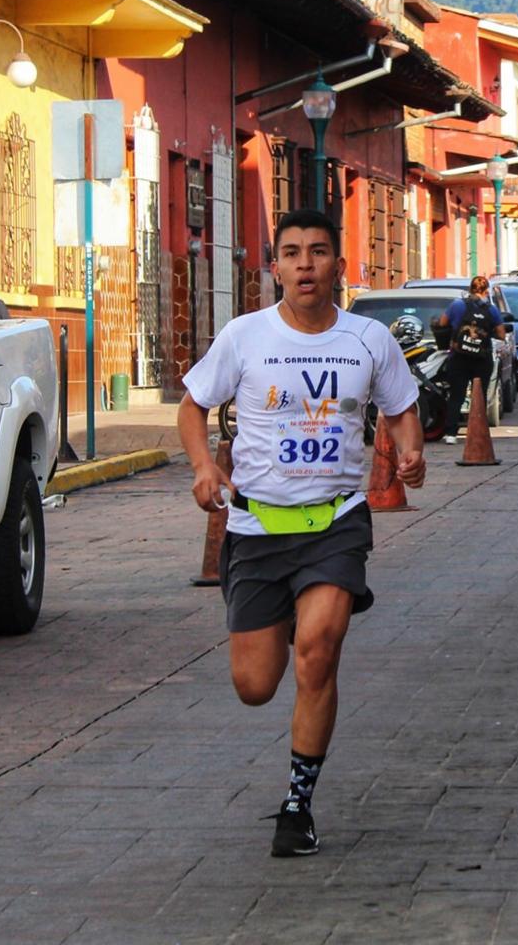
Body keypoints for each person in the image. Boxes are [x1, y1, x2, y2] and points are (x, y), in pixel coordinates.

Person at [178, 208, 425, 858]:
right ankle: (282, 610)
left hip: (336, 521)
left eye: (318, 251)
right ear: (276, 266)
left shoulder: (368, 340)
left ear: (339, 264)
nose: (305, 263)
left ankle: (297, 803)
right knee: (255, 685)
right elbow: (192, 404)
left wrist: (409, 451)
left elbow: (400, 409)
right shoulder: (244, 336)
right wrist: (204, 466)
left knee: (318, 649)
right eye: (291, 253)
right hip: (257, 526)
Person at [438, 274, 506, 445]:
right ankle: (477, 432)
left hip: (458, 356)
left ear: (470, 288)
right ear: (486, 290)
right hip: (482, 359)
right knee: (480, 396)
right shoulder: (491, 310)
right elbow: (501, 334)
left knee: (456, 395)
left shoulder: (457, 305)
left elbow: (442, 323)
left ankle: (451, 434)